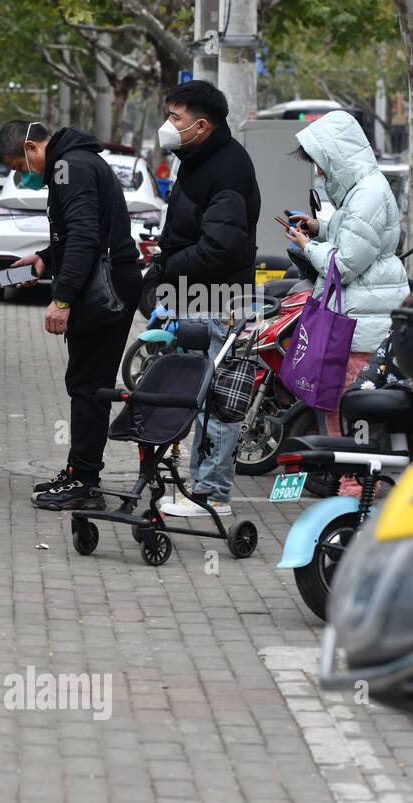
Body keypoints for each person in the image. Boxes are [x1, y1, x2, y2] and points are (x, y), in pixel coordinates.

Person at [0, 119, 141, 510]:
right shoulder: (75, 161)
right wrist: (43, 260)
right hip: (111, 282)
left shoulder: (69, 167)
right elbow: (78, 234)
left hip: (105, 289)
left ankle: (86, 483)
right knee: (85, 381)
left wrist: (62, 299)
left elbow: (84, 237)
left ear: (31, 146)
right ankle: (79, 472)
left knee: (89, 385)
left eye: (18, 166)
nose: (23, 174)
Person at [135, 81, 260, 518]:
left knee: (218, 403)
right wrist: (160, 274)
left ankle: (212, 495)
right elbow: (184, 234)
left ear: (202, 125)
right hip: (197, 297)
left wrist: (169, 268)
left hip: (222, 301)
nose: (168, 126)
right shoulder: (196, 160)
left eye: (176, 118)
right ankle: (200, 488)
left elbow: (220, 247)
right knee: (197, 398)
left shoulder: (228, 169)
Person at [286, 110, 406, 495]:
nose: (320, 173)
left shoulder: (368, 193)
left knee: (351, 412)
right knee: (343, 409)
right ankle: (353, 491)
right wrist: (320, 228)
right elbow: (354, 238)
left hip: (359, 322)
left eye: (321, 164)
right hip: (358, 315)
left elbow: (345, 263)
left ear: (338, 156)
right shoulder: (363, 191)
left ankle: (354, 497)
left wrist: (309, 246)